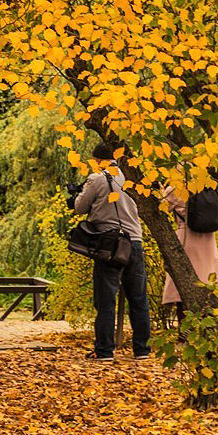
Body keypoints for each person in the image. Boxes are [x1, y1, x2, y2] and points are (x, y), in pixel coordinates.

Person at [71, 143, 150, 361]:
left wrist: (76, 194)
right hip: (134, 241)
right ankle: (142, 350)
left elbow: (80, 207)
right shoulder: (130, 177)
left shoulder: (96, 178)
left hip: (110, 244)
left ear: (97, 160)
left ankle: (104, 350)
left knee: (106, 299)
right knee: (139, 299)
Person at [161, 184, 218, 325]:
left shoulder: (177, 188)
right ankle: (207, 333)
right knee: (208, 287)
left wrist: (161, 191)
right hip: (208, 242)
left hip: (187, 238)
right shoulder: (207, 185)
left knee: (183, 288)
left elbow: (161, 207)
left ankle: (185, 335)